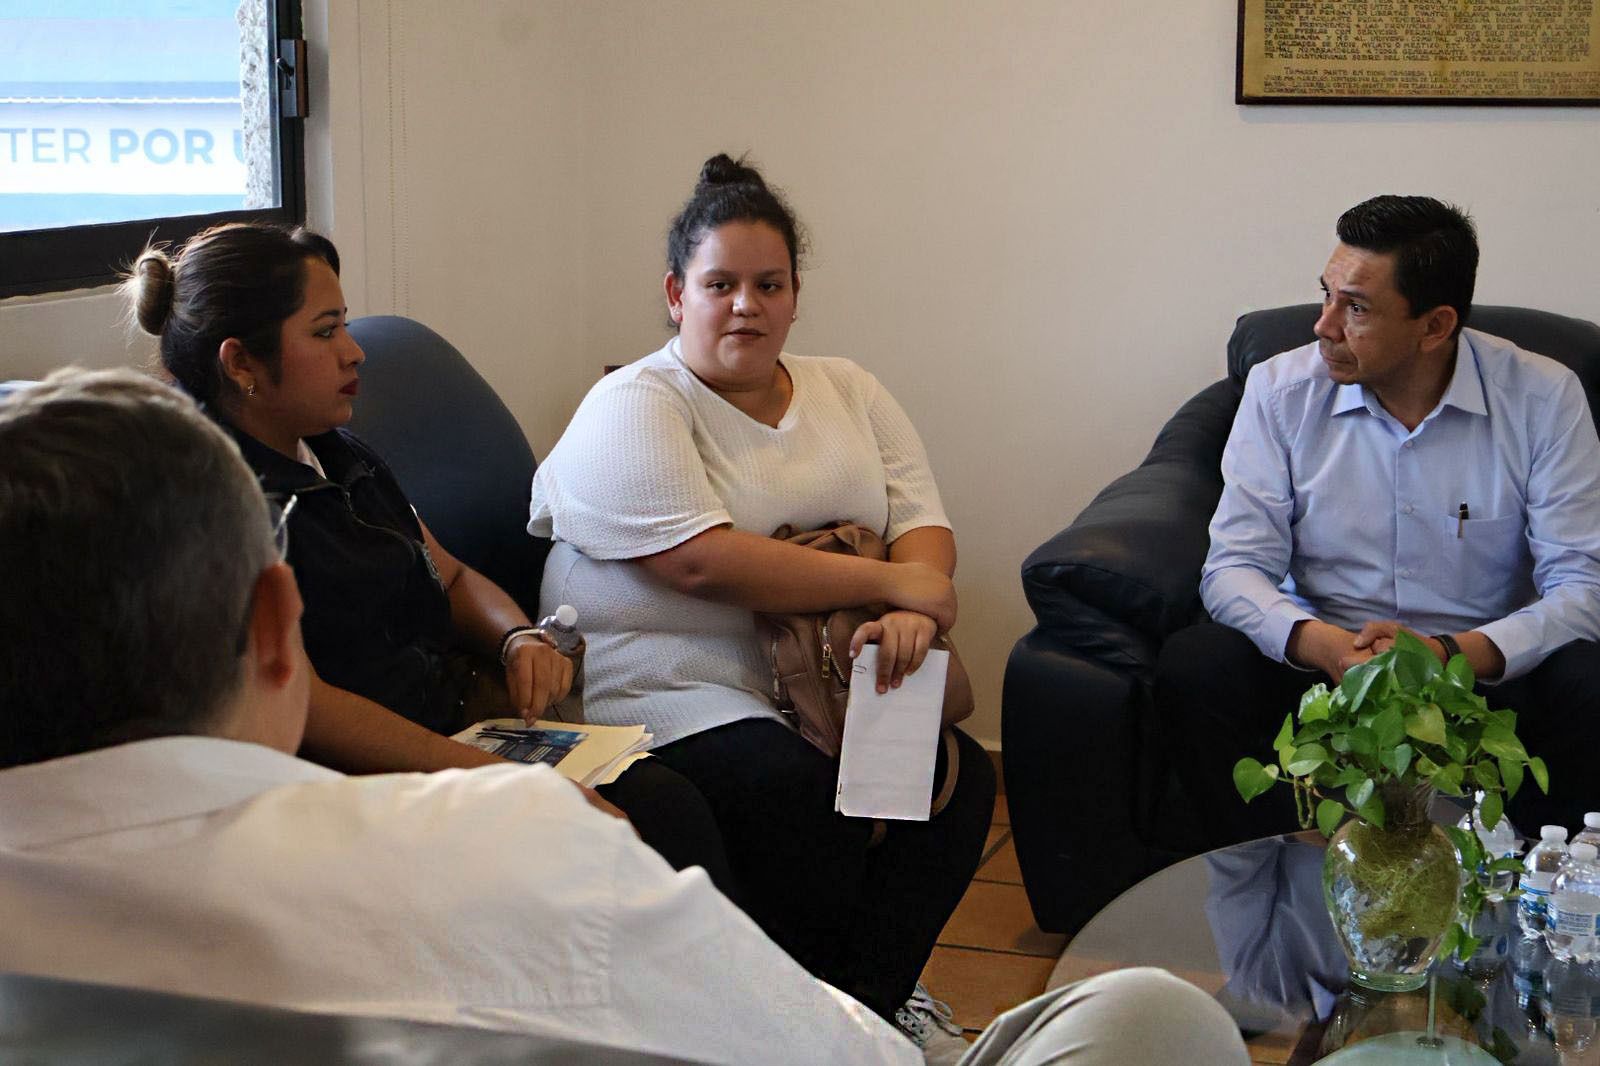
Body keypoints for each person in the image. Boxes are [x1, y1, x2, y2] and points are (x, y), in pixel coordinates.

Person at [0, 368, 1254, 1065]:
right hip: (670, 732)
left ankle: (878, 983)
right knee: (1151, 1015)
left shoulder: (846, 393)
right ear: (280, 630)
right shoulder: (505, 847)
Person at [527, 154, 995, 1055]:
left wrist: (915, 613)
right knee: (793, 794)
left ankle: (864, 1010)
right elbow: (701, 562)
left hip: (829, 679)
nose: (747, 305)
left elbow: (920, 522)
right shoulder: (634, 402)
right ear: (677, 294)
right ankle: (805, 1023)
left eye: (768, 285)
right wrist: (891, 586)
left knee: (957, 780)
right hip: (672, 683)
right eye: (721, 285)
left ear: (794, 296)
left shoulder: (847, 386)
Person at [125, 222, 734, 893]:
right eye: (325, 333)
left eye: (345, 325)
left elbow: (451, 573)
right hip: (356, 782)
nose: (354, 352)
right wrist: (496, 780)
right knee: (630, 837)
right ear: (241, 363)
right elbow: (310, 706)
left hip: (451, 729)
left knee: (669, 808)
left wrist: (514, 638)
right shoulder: (219, 505)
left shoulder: (332, 448)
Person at [1158, 195, 1600, 848]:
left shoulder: (1542, 398)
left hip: (1478, 673)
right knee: (1197, 662)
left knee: (1588, 680)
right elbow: (1234, 566)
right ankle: (1271, 874)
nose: (1323, 326)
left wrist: (1446, 655)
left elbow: (1583, 588)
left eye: (1356, 308)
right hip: (1324, 667)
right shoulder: (1280, 391)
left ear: (1435, 325)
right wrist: (1326, 646)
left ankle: (1538, 886)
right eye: (1327, 295)